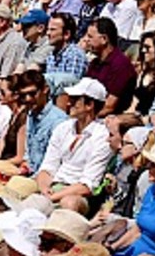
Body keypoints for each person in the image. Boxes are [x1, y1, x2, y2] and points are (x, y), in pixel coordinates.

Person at [36, 78, 114, 213]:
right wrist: (44, 189)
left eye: (74, 100)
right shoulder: (63, 128)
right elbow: (48, 166)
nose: (68, 103)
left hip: (77, 193)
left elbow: (88, 185)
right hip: (53, 186)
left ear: (89, 105)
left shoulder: (102, 136)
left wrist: (53, 197)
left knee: (69, 202)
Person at [84, 17, 138, 116]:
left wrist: (87, 120)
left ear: (104, 39)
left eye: (90, 37)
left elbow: (109, 106)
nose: (86, 40)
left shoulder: (121, 65)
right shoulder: (95, 63)